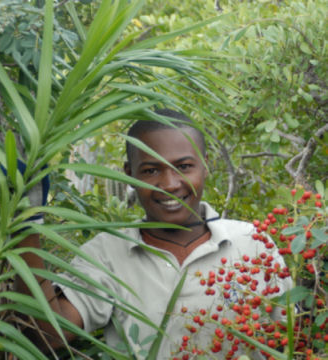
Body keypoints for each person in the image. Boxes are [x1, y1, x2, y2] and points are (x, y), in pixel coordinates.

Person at [16, 109, 292, 359]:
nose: (169, 184)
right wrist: (25, 223)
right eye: (150, 170)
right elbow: (49, 335)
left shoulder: (253, 244)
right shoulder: (107, 253)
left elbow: (292, 336)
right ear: (129, 174)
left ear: (205, 166)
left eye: (184, 167)